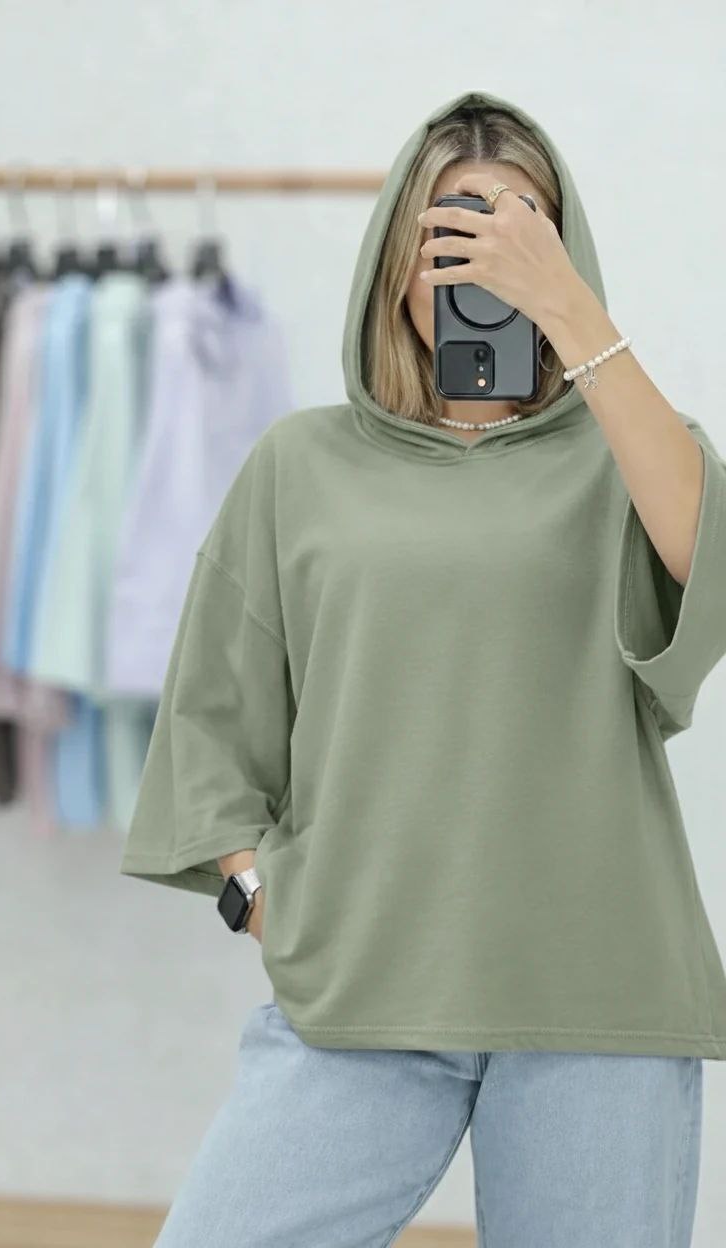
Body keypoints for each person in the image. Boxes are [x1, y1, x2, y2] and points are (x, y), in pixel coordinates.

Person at [119, 88, 726, 1247]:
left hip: (597, 992)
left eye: (520, 226)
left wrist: (568, 311)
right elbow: (210, 729)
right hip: (361, 986)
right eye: (454, 228)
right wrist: (262, 899)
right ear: (397, 258)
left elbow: (708, 562)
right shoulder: (300, 464)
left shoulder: (628, 456)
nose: (486, 254)